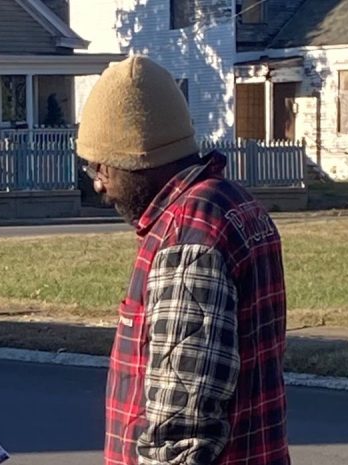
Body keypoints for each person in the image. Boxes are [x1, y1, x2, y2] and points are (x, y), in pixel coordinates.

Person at [76, 56, 290, 465]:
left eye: (101, 168)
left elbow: (181, 432)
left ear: (139, 159)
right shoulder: (233, 203)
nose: (100, 185)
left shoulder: (186, 236)